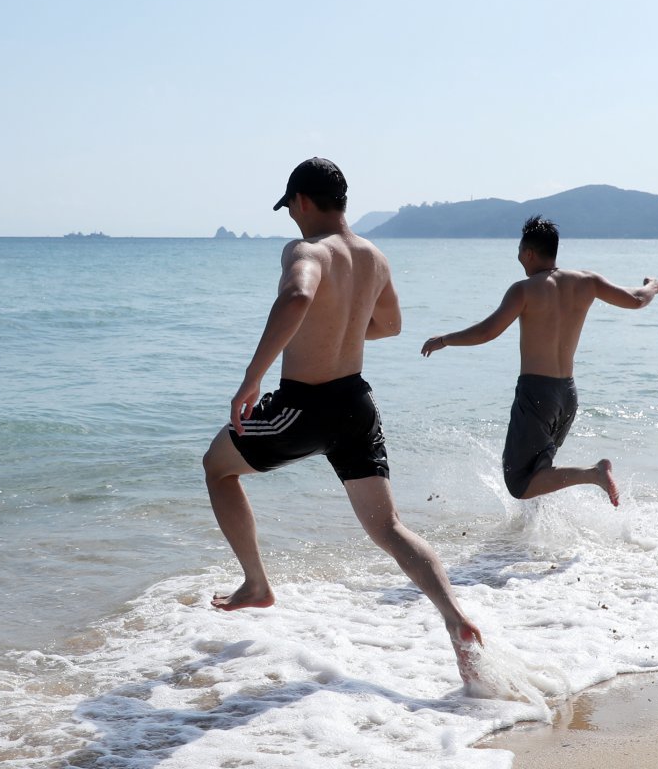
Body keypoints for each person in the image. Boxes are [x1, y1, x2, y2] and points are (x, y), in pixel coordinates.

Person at [202, 157, 483, 677]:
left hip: (304, 406)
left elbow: (298, 293)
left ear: (302, 202)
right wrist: (341, 331)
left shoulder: (305, 249)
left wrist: (252, 376)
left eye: (290, 207)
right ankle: (456, 617)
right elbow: (391, 325)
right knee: (390, 526)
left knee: (217, 466)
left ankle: (257, 583)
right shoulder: (374, 256)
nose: (291, 218)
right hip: (357, 404)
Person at [420, 215, 658, 507]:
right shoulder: (587, 281)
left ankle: (595, 474)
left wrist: (445, 339)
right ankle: (532, 534)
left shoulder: (524, 289)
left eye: (519, 250)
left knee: (518, 483)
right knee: (538, 472)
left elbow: (487, 332)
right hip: (567, 395)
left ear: (529, 253)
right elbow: (636, 299)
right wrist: (652, 285)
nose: (517, 255)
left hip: (537, 394)